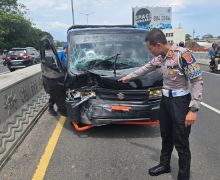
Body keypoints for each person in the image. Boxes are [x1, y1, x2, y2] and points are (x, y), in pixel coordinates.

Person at [119, 29, 203, 180]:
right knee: (166, 134)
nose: (150, 52)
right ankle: (164, 164)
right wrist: (128, 78)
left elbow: (197, 81)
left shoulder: (183, 55)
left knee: (181, 140)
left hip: (180, 102)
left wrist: (193, 109)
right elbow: (145, 68)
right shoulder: (160, 57)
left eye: (150, 48)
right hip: (165, 101)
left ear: (158, 45)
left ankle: (184, 176)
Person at [47, 43, 68, 116]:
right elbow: (56, 63)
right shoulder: (61, 53)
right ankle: (50, 107)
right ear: (65, 48)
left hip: (64, 76)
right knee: (55, 93)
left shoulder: (67, 55)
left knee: (63, 92)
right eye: (67, 49)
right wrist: (59, 70)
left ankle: (61, 108)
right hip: (57, 76)